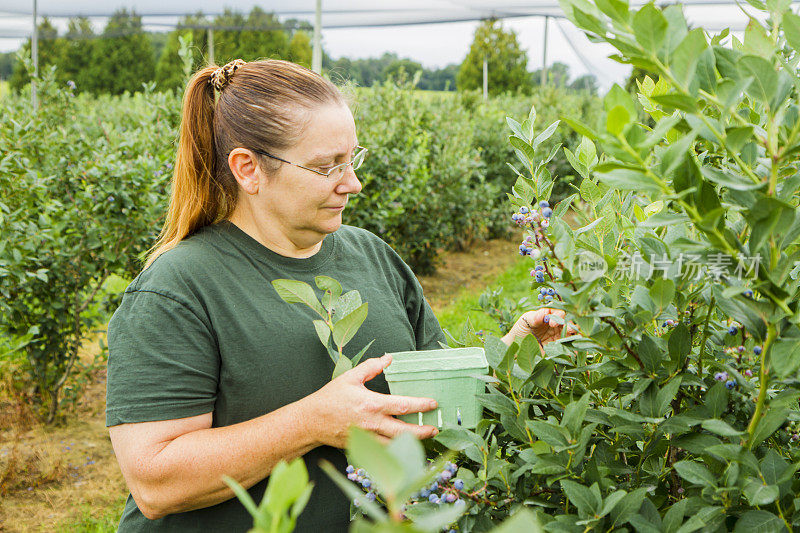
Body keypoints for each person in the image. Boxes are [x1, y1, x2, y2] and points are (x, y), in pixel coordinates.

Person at [105, 59, 567, 532]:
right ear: (248, 169)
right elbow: (155, 483)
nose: (352, 183)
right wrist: (311, 422)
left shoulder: (372, 257)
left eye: (352, 160)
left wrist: (509, 356)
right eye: (326, 166)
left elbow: (423, 400)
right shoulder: (178, 289)